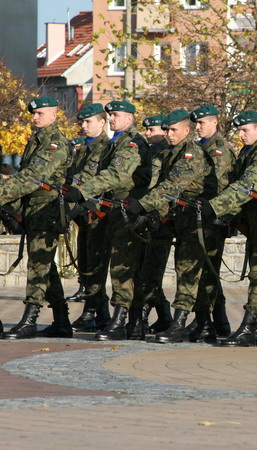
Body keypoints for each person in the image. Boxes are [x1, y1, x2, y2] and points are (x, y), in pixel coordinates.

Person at [200, 110, 257, 347]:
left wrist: (216, 207)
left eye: (245, 130)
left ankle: (248, 327)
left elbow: (246, 186)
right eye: (239, 130)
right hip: (256, 224)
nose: (241, 135)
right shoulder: (248, 152)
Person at [125, 109, 218, 343]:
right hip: (177, 218)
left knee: (187, 271)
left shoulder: (191, 154)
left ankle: (180, 324)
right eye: (166, 129)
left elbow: (173, 185)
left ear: (187, 130)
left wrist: (143, 205)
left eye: (173, 129)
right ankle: (198, 324)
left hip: (196, 221)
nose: (169, 133)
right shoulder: (170, 152)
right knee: (163, 268)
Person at [62, 100, 152, 341]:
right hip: (114, 211)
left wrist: (83, 191)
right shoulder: (117, 142)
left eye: (116, 115)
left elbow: (116, 175)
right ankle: (128, 322)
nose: (111, 119)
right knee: (120, 267)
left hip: (128, 212)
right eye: (110, 115)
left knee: (123, 268)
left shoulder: (131, 143)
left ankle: (122, 321)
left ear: (130, 119)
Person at [1, 96, 73, 340]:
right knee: (45, 265)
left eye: (40, 113)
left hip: (48, 211)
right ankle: (62, 321)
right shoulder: (37, 140)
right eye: (33, 114)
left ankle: (30, 319)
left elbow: (33, 177)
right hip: (35, 210)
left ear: (54, 114)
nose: (34, 118)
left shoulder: (55, 142)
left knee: (37, 266)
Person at [188, 105, 236, 340]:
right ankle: (214, 320)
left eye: (202, 123)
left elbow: (217, 185)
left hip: (212, 217)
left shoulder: (219, 149)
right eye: (196, 124)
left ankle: (209, 322)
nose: (198, 127)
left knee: (207, 272)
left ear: (215, 123)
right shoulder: (199, 147)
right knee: (203, 271)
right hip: (199, 217)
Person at [67, 103, 112, 333]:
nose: (83, 126)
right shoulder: (82, 147)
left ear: (102, 123)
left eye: (88, 122)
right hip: (83, 215)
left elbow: (87, 177)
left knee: (95, 266)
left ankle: (94, 313)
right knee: (85, 263)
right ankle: (98, 312)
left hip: (97, 215)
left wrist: (67, 190)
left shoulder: (105, 146)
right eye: (81, 122)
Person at [138, 113, 174, 335]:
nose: (147, 134)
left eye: (152, 130)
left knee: (151, 271)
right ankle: (164, 316)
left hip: (160, 220)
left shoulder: (167, 154)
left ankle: (145, 314)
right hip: (145, 217)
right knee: (146, 271)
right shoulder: (148, 152)